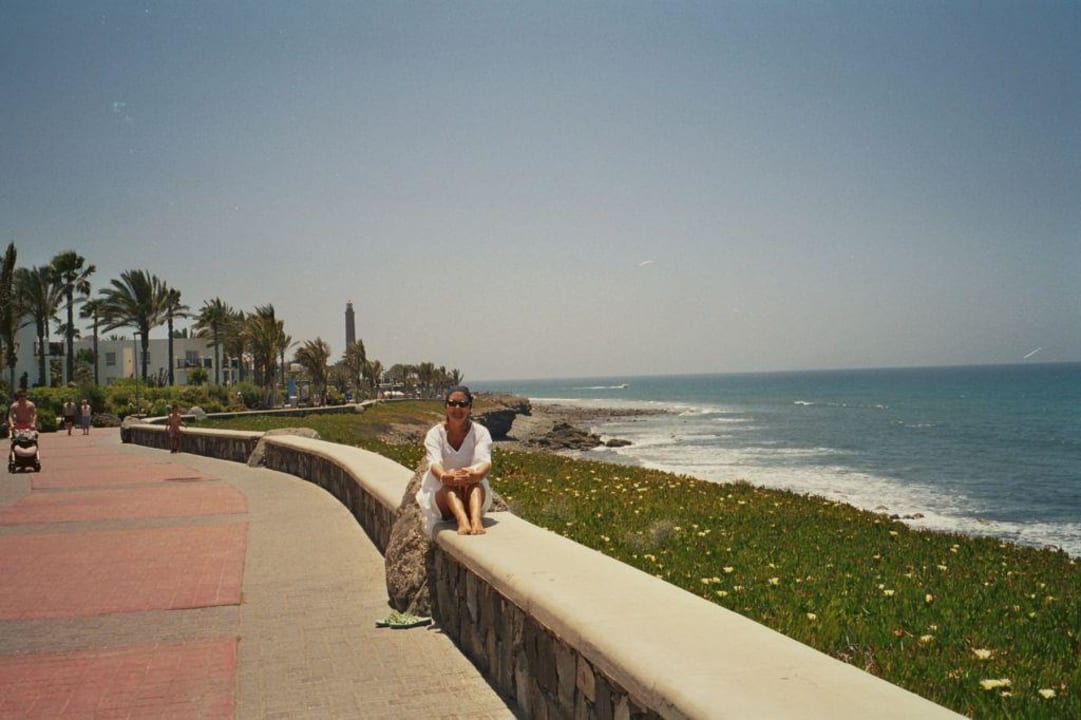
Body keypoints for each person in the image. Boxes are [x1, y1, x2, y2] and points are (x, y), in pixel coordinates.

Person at [416, 386, 493, 536]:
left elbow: (485, 461)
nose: (457, 408)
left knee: (475, 485)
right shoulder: (434, 434)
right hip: (442, 493)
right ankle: (462, 520)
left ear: (469, 408)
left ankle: (476, 521)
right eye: (452, 403)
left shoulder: (481, 432)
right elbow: (434, 462)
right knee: (448, 486)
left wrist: (474, 475)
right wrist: (445, 476)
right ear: (446, 406)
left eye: (463, 404)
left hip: (472, 490)